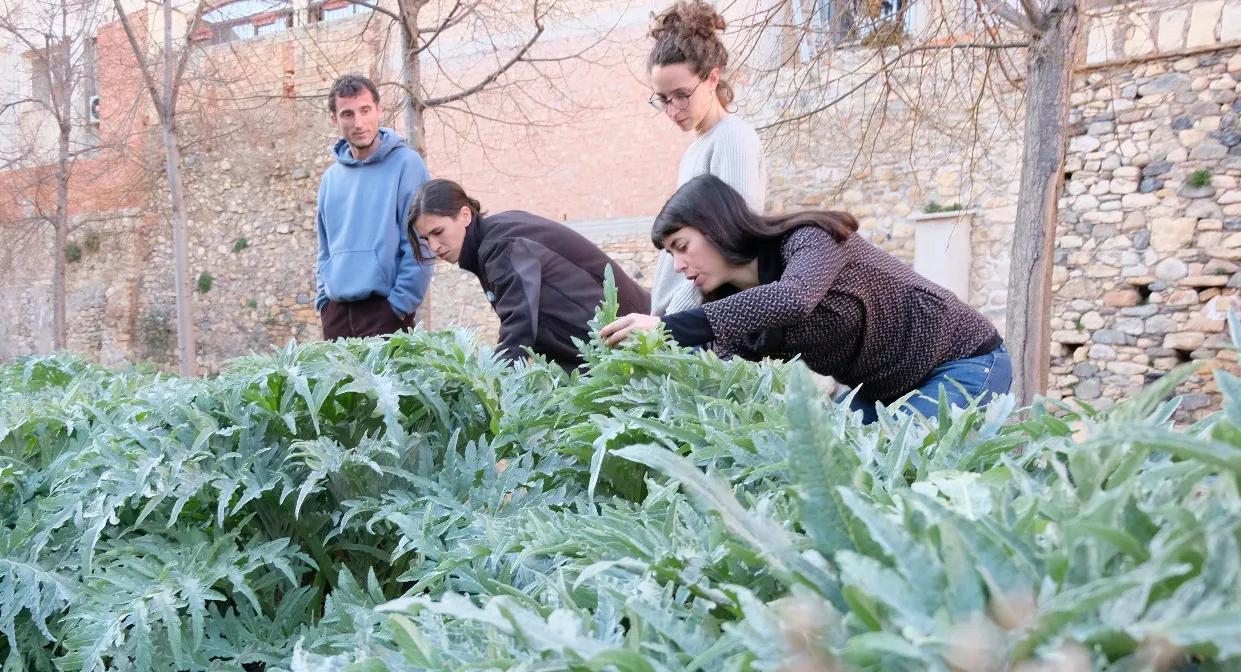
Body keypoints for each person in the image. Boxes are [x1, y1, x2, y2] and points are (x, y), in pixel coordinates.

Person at [600, 176, 1012, 422]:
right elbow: (716, 374)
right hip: (882, 390)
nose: (677, 264)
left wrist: (667, 327)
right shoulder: (737, 309)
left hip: (964, 361)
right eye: (670, 254)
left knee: (896, 471)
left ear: (716, 226)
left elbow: (794, 298)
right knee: (828, 469)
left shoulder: (809, 240)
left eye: (681, 245)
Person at [408, 179, 650, 371]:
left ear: (464, 215)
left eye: (438, 232)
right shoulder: (494, 239)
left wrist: (492, 387)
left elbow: (519, 324)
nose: (434, 246)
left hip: (635, 341)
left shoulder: (501, 246)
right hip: (610, 346)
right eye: (426, 239)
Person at [646, 1, 767, 319]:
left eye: (682, 95)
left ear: (713, 79)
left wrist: (675, 324)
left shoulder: (733, 138)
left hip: (705, 325)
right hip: (679, 320)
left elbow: (733, 245)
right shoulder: (696, 149)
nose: (673, 110)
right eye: (663, 99)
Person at [315, 75, 431, 340]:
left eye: (365, 110)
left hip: (386, 312)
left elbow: (420, 243)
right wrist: (324, 303)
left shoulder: (407, 165)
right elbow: (324, 250)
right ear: (335, 119)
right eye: (347, 114)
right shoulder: (330, 179)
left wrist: (400, 306)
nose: (358, 123)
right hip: (337, 317)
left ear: (379, 110)